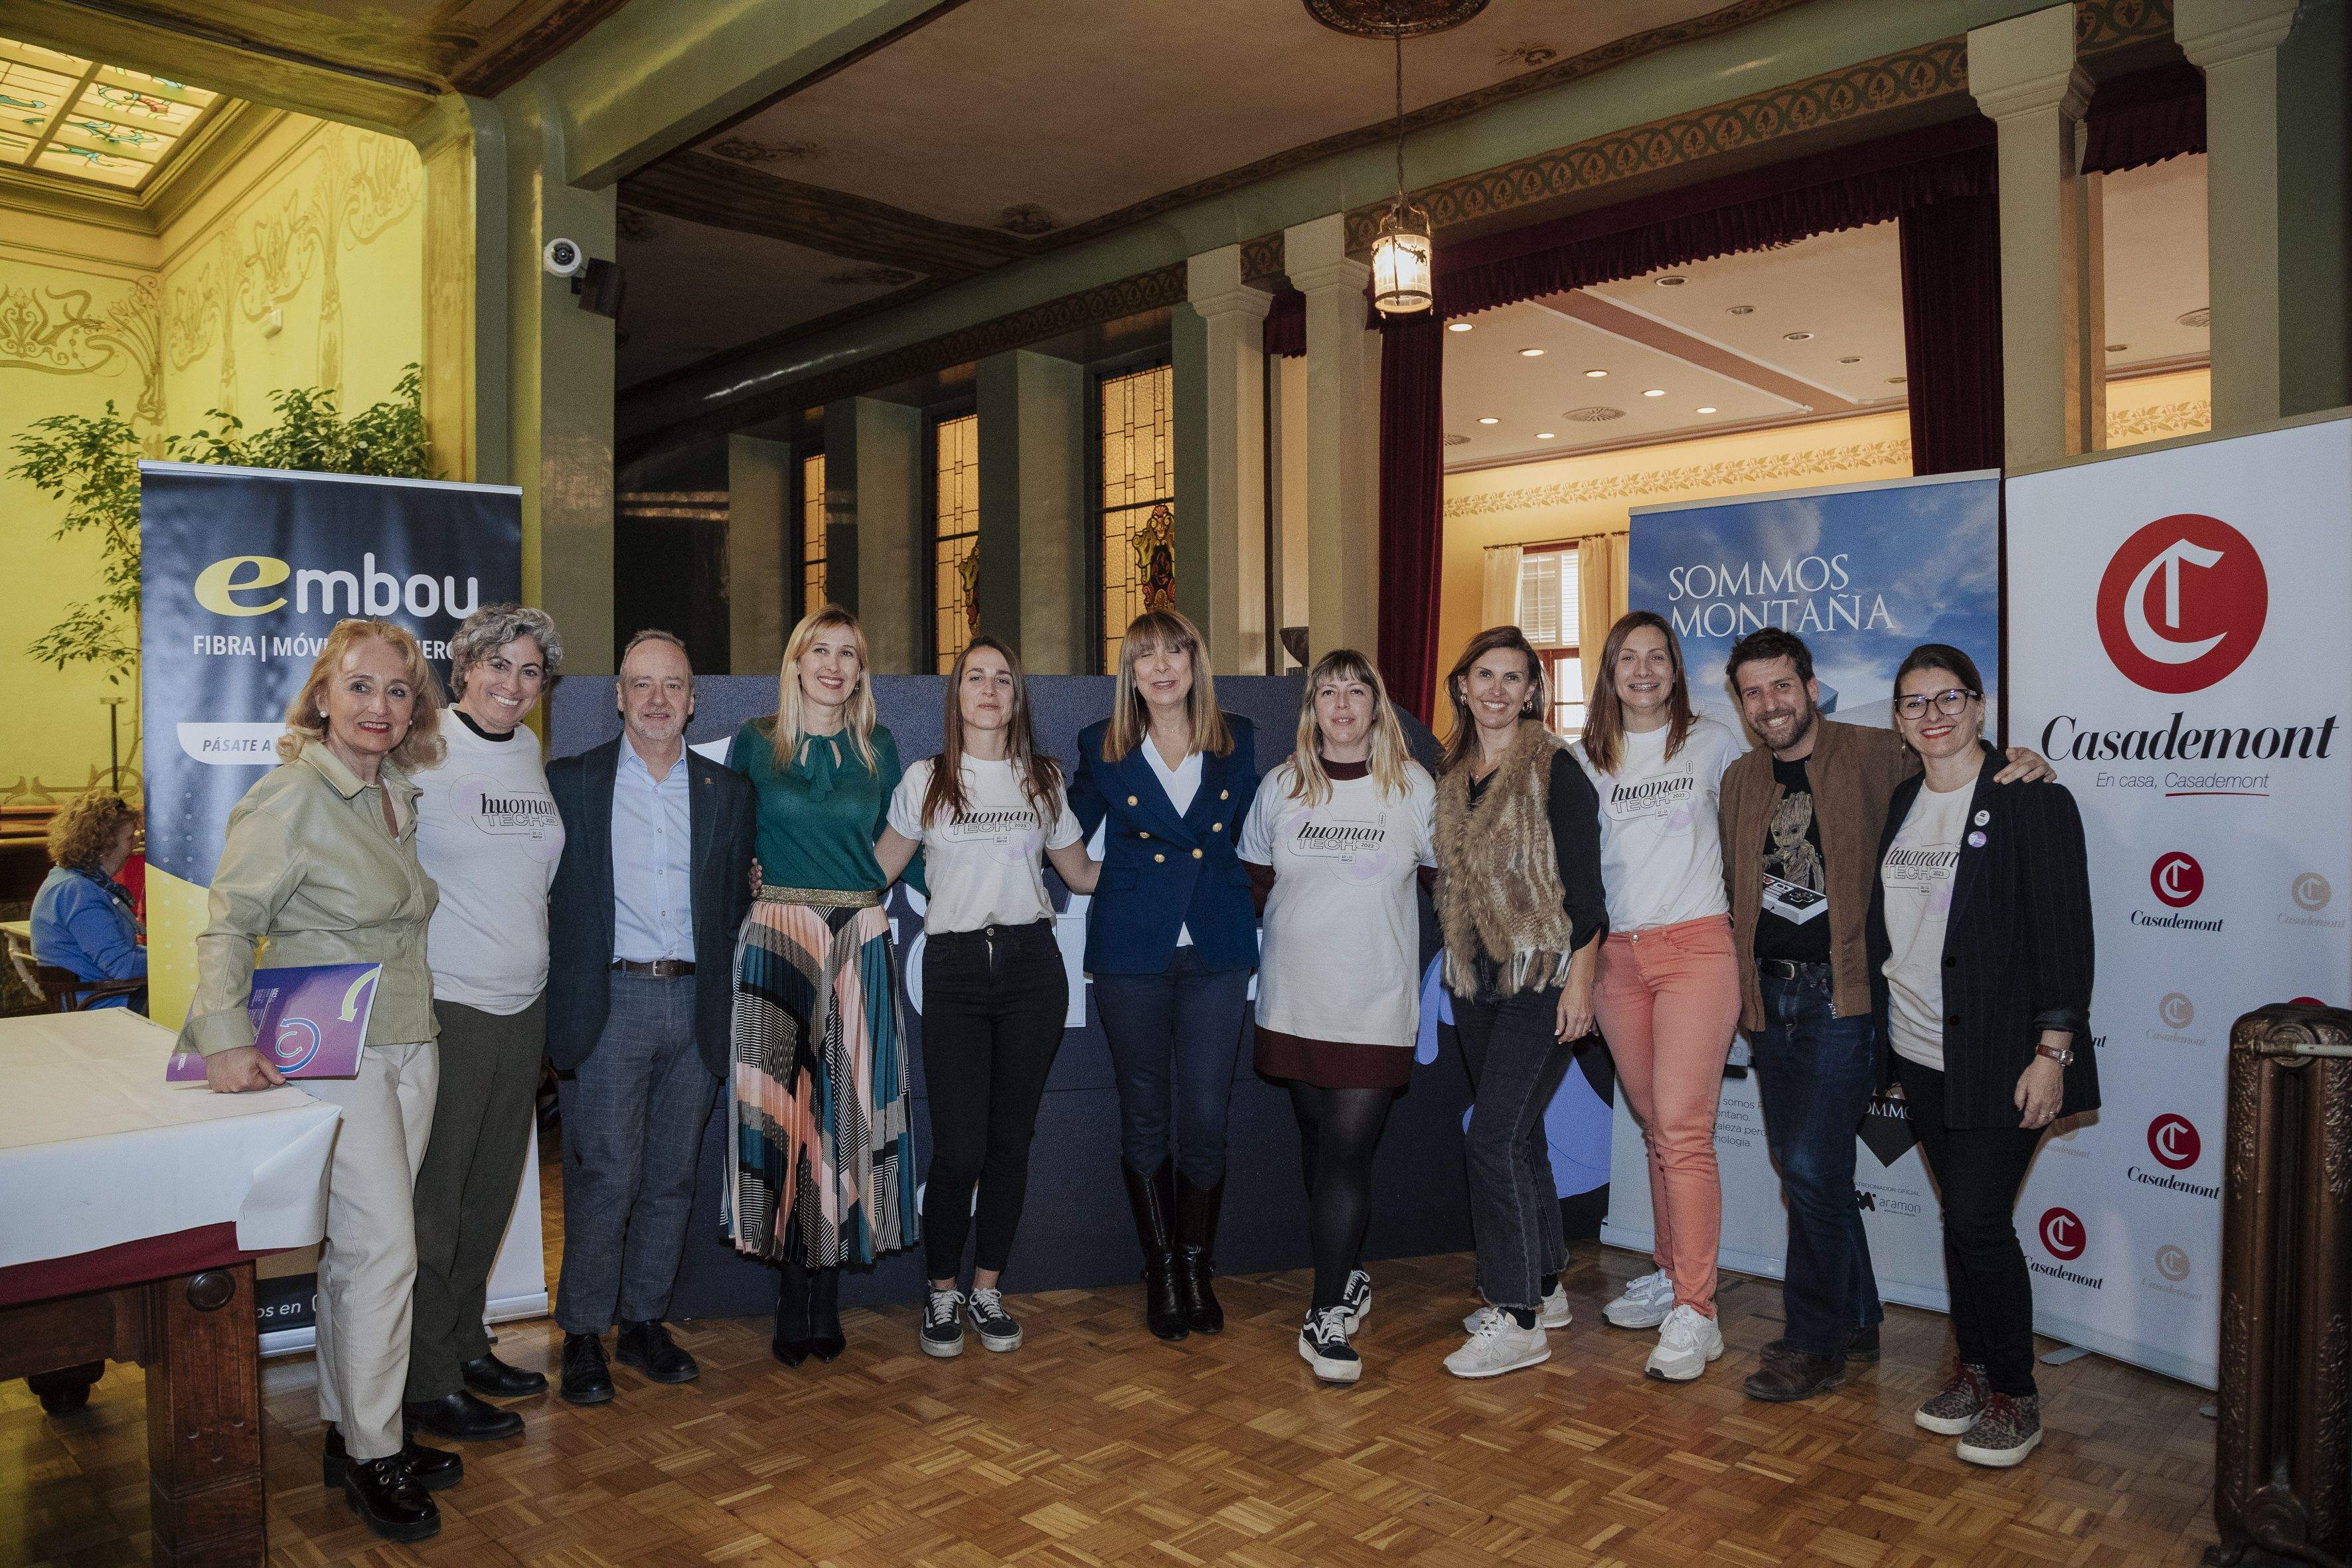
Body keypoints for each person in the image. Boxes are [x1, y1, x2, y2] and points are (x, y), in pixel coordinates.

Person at [1719, 626, 2049, 1403]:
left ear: (1810, 685)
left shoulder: (1875, 752)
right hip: (1769, 998)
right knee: (1812, 1171)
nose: (1771, 704)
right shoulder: (1739, 779)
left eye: (1783, 685)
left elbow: (1957, 763)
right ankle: (1859, 1311)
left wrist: (2017, 761)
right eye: (1754, 691)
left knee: (1808, 1166)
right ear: (1741, 704)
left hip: (1847, 996)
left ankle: (1814, 1341)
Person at [181, 618, 456, 1543]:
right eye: (362, 687)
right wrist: (223, 1035)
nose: (381, 706)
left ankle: (354, 1429)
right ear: (324, 695)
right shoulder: (291, 796)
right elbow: (227, 923)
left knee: (364, 1251)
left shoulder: (393, 792)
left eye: (399, 690)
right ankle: (377, 1453)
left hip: (411, 1037)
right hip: (337, 1052)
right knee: (383, 1250)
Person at [1868, 643, 2096, 1468]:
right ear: (1897, 720)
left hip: (2007, 1055)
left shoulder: (2031, 799)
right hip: (1920, 1050)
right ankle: (1970, 1370)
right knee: (1961, 1224)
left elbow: (2067, 937)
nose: (1933, 715)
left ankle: (2015, 1392)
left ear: (1980, 704)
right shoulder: (1901, 799)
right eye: (1915, 703)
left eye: (1948, 698)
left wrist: (2053, 1051)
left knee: (1976, 1219)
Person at [546, 629, 755, 1407]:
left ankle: (642, 1323)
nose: (658, 699)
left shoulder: (726, 792)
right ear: (619, 696)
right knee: (605, 1177)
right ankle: (582, 1334)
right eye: (642, 684)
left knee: (670, 1178)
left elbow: (736, 900)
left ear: (694, 699)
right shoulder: (570, 782)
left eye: (673, 685)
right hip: (611, 1002)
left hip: (697, 1002)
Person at [874, 636, 1098, 1358]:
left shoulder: (1044, 780)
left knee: (1011, 1142)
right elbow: (872, 869)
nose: (991, 688)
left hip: (1034, 968)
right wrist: (777, 873)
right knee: (961, 1147)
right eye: (977, 676)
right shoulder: (926, 780)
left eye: (1004, 677)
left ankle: (987, 1288)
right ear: (958, 694)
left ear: (1017, 695)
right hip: (956, 971)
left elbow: (1083, 875)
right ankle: (941, 1293)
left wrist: (1169, 859)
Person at [727, 606, 918, 1366]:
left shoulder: (880, 748)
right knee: (780, 1112)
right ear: (796, 659)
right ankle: (788, 1292)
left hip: (859, 936)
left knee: (850, 1113)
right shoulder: (753, 741)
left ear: (860, 670)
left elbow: (913, 838)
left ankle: (827, 1291)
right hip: (777, 933)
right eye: (821, 650)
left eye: (849, 654)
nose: (835, 665)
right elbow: (723, 834)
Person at [1237, 650, 1435, 1384]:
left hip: (1376, 1004)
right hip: (1295, 1001)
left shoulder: (1413, 788)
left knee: (1348, 1150)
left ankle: (1323, 1314)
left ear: (1377, 705)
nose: (1344, 704)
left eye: (1358, 691)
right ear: (1311, 707)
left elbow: (1450, 885)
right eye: (1329, 692)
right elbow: (1255, 883)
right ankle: (1346, 1274)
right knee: (1320, 1146)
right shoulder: (1281, 787)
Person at [1069, 609, 1259, 1342]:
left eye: (1174, 650)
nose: (1161, 665)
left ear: (1195, 661)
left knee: (1206, 1119)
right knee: (1146, 1114)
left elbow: (1267, 827)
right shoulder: (1103, 744)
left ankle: (1196, 1267)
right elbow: (1060, 825)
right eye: (1144, 654)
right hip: (1132, 951)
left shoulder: (1238, 735)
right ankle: (1161, 1273)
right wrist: (1082, 872)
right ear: (1130, 671)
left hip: (1216, 947)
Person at [402, 605, 565, 1444]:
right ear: (463, 668)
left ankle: (464, 1343)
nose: (513, 684)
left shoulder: (530, 751)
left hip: (522, 1004)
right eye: (498, 666)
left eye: (530, 671)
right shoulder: (422, 745)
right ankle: (425, 1379)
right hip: (450, 1003)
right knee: (437, 1200)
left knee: (491, 1190)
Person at [1432, 627, 1608, 1380]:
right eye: (1485, 675)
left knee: (1492, 1138)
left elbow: (1588, 892)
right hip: (1478, 983)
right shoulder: (1450, 774)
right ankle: (1544, 1284)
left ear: (1532, 690)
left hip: (1543, 980)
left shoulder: (1554, 766)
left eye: (1514, 678)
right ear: (1463, 687)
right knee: (1522, 1136)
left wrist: (1582, 980)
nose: (1499, 690)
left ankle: (1517, 1316)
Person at [1575, 611, 1743, 1381]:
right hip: (1617, 959)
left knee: (1682, 1128)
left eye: (1657, 658)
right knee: (1654, 1126)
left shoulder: (1713, 740)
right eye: (1627, 659)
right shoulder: (1586, 760)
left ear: (1677, 670)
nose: (1642, 670)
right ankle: (1676, 1275)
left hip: (1697, 947)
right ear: (1609, 672)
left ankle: (1697, 1311)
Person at [31, 789, 146, 1010]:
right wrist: (177, 963)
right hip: (104, 1006)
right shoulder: (78, 892)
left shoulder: (69, 880)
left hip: (102, 997)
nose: (135, 846)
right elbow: (123, 967)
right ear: (104, 846)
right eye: (130, 838)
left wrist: (169, 956)